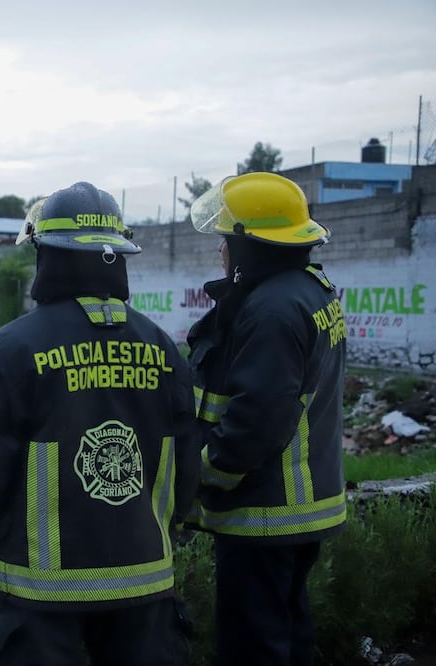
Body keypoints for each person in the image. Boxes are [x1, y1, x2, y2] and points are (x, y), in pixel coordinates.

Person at [0, 181, 200, 666]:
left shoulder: (13, 350)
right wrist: (174, 527)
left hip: (38, 598)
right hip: (144, 587)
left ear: (46, 255)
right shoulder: (164, 349)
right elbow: (186, 461)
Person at [185, 171, 348, 665]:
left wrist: (206, 473)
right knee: (289, 632)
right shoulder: (308, 291)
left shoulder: (272, 309)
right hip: (301, 507)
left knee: (254, 646)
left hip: (265, 512)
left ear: (252, 245)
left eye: (227, 240)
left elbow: (258, 418)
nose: (221, 250)